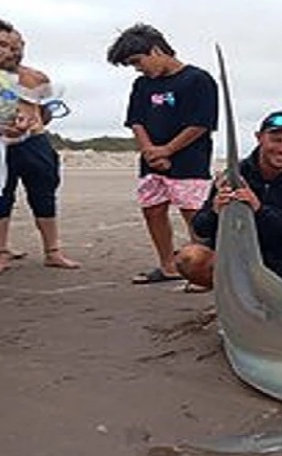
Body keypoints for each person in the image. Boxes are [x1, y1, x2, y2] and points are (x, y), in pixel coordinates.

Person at [175, 110, 282, 321]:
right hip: (239, 260)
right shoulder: (234, 174)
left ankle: (265, 305)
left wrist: (260, 210)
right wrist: (215, 211)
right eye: (276, 139)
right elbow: (200, 228)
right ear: (259, 137)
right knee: (190, 258)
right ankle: (235, 299)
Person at [106, 23, 217, 284]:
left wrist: (168, 150)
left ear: (156, 50)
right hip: (151, 162)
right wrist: (150, 151)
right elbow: (136, 121)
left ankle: (203, 271)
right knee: (153, 210)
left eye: (137, 61)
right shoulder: (142, 85)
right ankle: (168, 266)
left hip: (189, 161)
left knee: (195, 217)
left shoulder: (198, 79)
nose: (137, 68)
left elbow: (201, 123)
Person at [0, 20, 79, 275]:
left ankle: (52, 251)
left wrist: (33, 123)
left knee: (44, 196)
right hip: (1, 144)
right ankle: (0, 251)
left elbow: (47, 109)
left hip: (35, 143)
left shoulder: (35, 76)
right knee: (1, 198)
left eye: (5, 45)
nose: (1, 49)